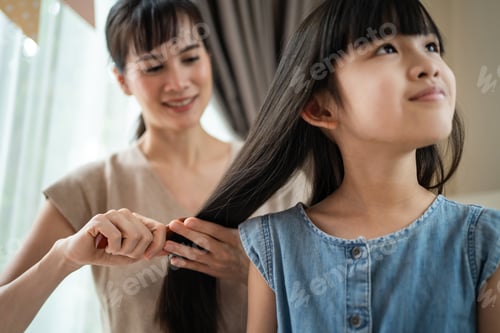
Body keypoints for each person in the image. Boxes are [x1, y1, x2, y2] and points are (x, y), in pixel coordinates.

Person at [168, 0, 500, 332]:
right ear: (320, 109)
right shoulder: (273, 246)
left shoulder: (486, 241)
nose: (429, 65)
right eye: (386, 48)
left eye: (431, 46)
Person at [0, 1, 308, 332]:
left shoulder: (280, 175)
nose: (178, 82)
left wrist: (256, 269)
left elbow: (338, 304)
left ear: (209, 58)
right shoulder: (88, 187)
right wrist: (64, 258)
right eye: (153, 67)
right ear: (121, 80)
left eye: (190, 58)